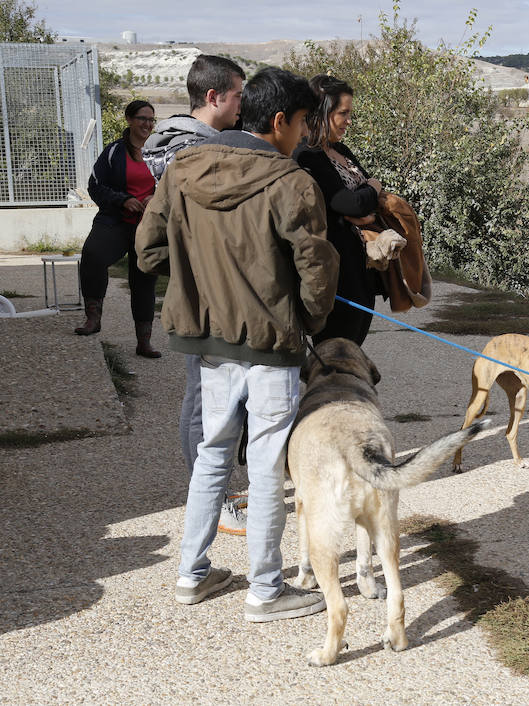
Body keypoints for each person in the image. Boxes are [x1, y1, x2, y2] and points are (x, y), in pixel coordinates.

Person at [136, 67, 339, 617]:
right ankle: (266, 590)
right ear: (278, 120)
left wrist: (199, 281)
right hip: (271, 344)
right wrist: (313, 321)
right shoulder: (293, 181)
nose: (303, 133)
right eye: (301, 122)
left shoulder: (180, 170)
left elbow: (149, 251)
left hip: (204, 339)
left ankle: (190, 575)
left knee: (212, 456)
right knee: (268, 463)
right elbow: (316, 268)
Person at [142, 55, 249, 535]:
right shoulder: (190, 153)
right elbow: (157, 240)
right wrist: (194, 271)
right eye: (238, 95)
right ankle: (212, 498)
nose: (243, 105)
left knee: (220, 399)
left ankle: (217, 489)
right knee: (206, 401)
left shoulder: (194, 147)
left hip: (214, 292)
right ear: (214, 97)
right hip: (203, 297)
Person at [293, 75, 384, 346]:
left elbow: (368, 200)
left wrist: (369, 196)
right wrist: (371, 190)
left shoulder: (339, 149)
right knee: (335, 354)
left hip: (362, 270)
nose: (348, 121)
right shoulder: (306, 155)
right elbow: (351, 203)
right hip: (337, 276)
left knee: (353, 347)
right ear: (321, 112)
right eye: (343, 113)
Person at [75, 100, 160, 358]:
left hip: (148, 225)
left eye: (151, 120)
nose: (147, 124)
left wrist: (154, 197)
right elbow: (96, 185)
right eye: (142, 118)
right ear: (129, 120)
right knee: (92, 255)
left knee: (144, 279)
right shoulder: (113, 152)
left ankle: (143, 342)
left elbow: (172, 184)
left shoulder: (159, 152)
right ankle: (93, 318)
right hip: (114, 221)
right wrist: (122, 199)